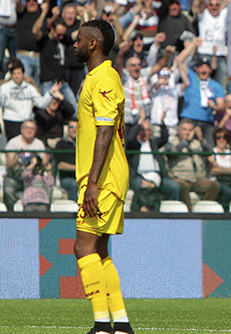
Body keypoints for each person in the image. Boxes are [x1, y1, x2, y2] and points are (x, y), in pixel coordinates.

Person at [72, 19, 135, 334]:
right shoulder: (98, 77)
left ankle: (100, 325)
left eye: (79, 39)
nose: (75, 44)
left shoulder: (105, 78)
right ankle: (120, 325)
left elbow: (106, 130)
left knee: (82, 248)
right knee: (98, 250)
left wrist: (93, 182)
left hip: (104, 178)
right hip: (105, 176)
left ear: (92, 44)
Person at [164, 119, 220, 211]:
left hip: (197, 179)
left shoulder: (197, 143)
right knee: (182, 186)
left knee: (214, 185)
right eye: (185, 130)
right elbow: (171, 153)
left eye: (190, 130)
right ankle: (189, 213)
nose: (187, 132)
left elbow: (210, 152)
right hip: (180, 178)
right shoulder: (173, 142)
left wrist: (201, 139)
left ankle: (203, 209)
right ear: (179, 131)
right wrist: (186, 141)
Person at [3, 120, 48, 211]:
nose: (29, 130)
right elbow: (9, 165)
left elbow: (43, 164)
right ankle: (10, 213)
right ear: (22, 130)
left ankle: (45, 215)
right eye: (27, 128)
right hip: (15, 176)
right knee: (8, 189)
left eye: (32, 128)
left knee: (48, 187)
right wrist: (18, 158)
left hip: (33, 178)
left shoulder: (39, 144)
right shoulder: (13, 143)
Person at [55, 119, 78, 201]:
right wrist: (78, 168)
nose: (74, 129)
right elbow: (60, 165)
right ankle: (75, 210)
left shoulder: (84, 144)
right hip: (66, 178)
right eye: (72, 127)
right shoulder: (61, 144)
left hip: (83, 177)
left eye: (76, 127)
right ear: (68, 129)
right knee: (74, 184)